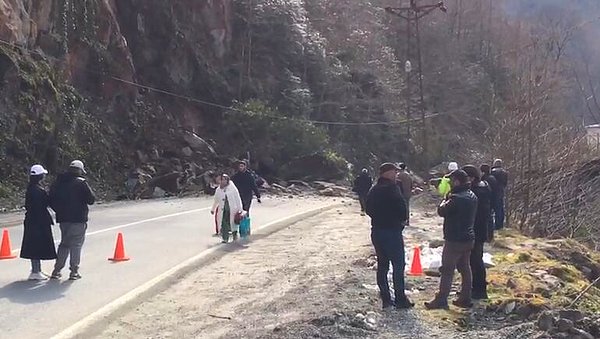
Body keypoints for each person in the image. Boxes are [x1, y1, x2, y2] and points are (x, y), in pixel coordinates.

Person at [425, 169, 477, 310]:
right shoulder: (472, 195)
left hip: (454, 239)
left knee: (447, 269)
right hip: (468, 237)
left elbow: (442, 211)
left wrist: (445, 199)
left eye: (451, 181)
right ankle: (465, 297)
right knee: (465, 268)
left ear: (456, 181)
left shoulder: (456, 198)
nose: (449, 183)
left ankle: (441, 299)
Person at [366, 163, 413, 310]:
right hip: (392, 231)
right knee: (398, 265)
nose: (396, 175)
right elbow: (402, 208)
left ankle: (386, 299)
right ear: (387, 173)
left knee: (383, 265)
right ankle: (400, 299)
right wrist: (400, 220)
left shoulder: (373, 189)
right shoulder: (393, 189)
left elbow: (368, 209)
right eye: (394, 172)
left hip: (377, 231)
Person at [49, 160, 96, 280]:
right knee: (76, 244)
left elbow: (51, 199)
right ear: (80, 171)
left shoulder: (58, 182)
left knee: (64, 244)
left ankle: (57, 270)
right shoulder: (81, 183)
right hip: (78, 219)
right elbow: (91, 199)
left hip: (63, 219)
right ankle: (74, 271)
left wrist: (59, 210)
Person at [20, 165, 57, 281]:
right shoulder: (37, 190)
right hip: (38, 221)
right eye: (43, 174)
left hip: (33, 220)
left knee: (34, 245)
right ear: (40, 176)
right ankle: (35, 271)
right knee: (36, 246)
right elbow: (44, 204)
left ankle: (37, 270)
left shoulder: (32, 188)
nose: (45, 176)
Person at [462, 165, 492, 300]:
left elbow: (480, 215)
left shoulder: (478, 192)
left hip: (477, 230)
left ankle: (479, 290)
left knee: (475, 261)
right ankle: (472, 288)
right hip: (477, 229)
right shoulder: (481, 188)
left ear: (471, 178)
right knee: (471, 261)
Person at [211, 174, 244, 243]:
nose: (222, 181)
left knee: (233, 223)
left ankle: (235, 235)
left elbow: (237, 198)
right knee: (224, 224)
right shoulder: (218, 190)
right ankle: (225, 238)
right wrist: (213, 209)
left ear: (227, 180)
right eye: (221, 180)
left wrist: (240, 208)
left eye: (224, 180)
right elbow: (216, 200)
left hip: (232, 209)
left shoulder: (232, 188)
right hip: (223, 210)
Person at [480, 163, 498, 238]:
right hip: (493, 199)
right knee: (490, 217)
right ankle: (490, 235)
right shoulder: (492, 178)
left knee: (487, 218)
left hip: (488, 200)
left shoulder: (485, 179)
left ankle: (488, 235)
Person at [491, 159, 509, 230]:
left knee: (493, 209)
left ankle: (494, 225)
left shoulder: (492, 172)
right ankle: (500, 225)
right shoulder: (505, 173)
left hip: (493, 191)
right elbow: (505, 183)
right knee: (500, 209)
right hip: (501, 191)